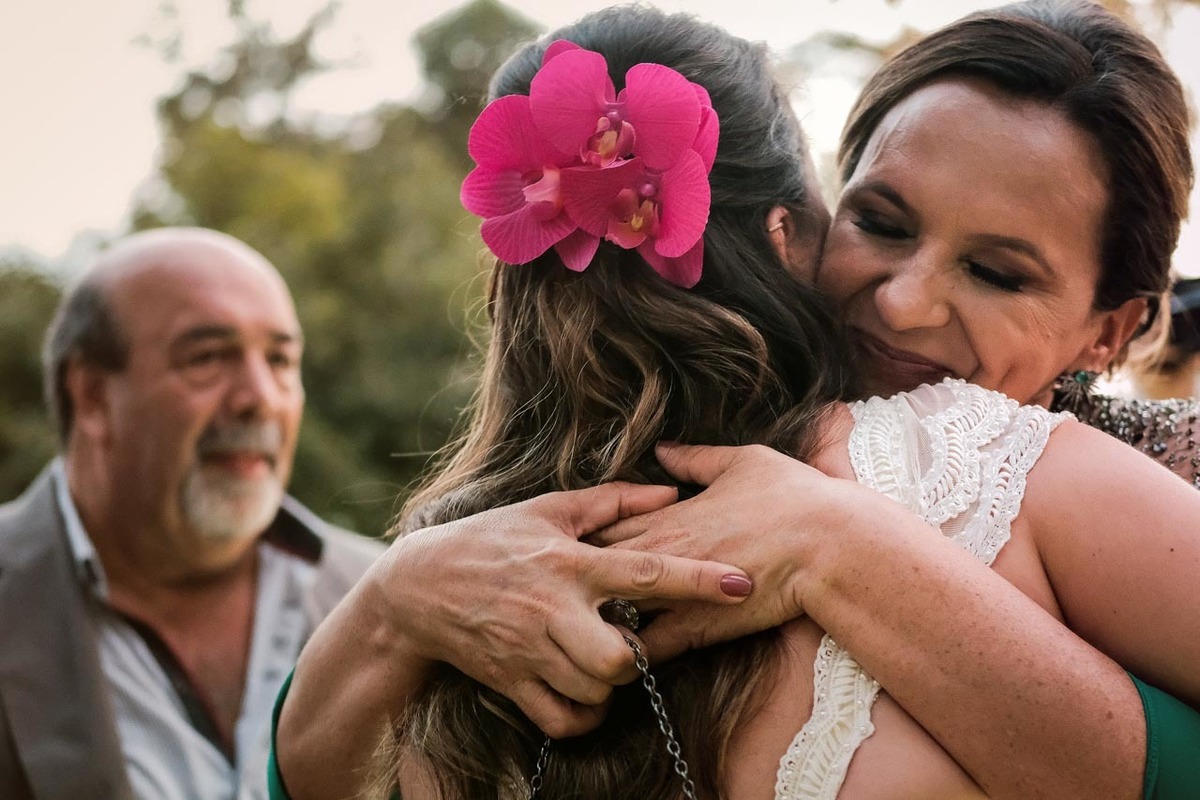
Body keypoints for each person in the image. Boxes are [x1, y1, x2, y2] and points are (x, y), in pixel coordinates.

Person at [273, 2, 1200, 798]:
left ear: (1109, 331)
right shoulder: (511, 544)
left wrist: (846, 549)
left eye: (997, 273)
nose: (903, 303)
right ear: (800, 222)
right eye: (879, 222)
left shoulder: (1088, 472)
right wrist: (395, 595)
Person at [0, 227, 385, 800]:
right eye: (207, 358)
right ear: (92, 395)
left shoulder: (378, 597)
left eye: (280, 360)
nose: (260, 398)